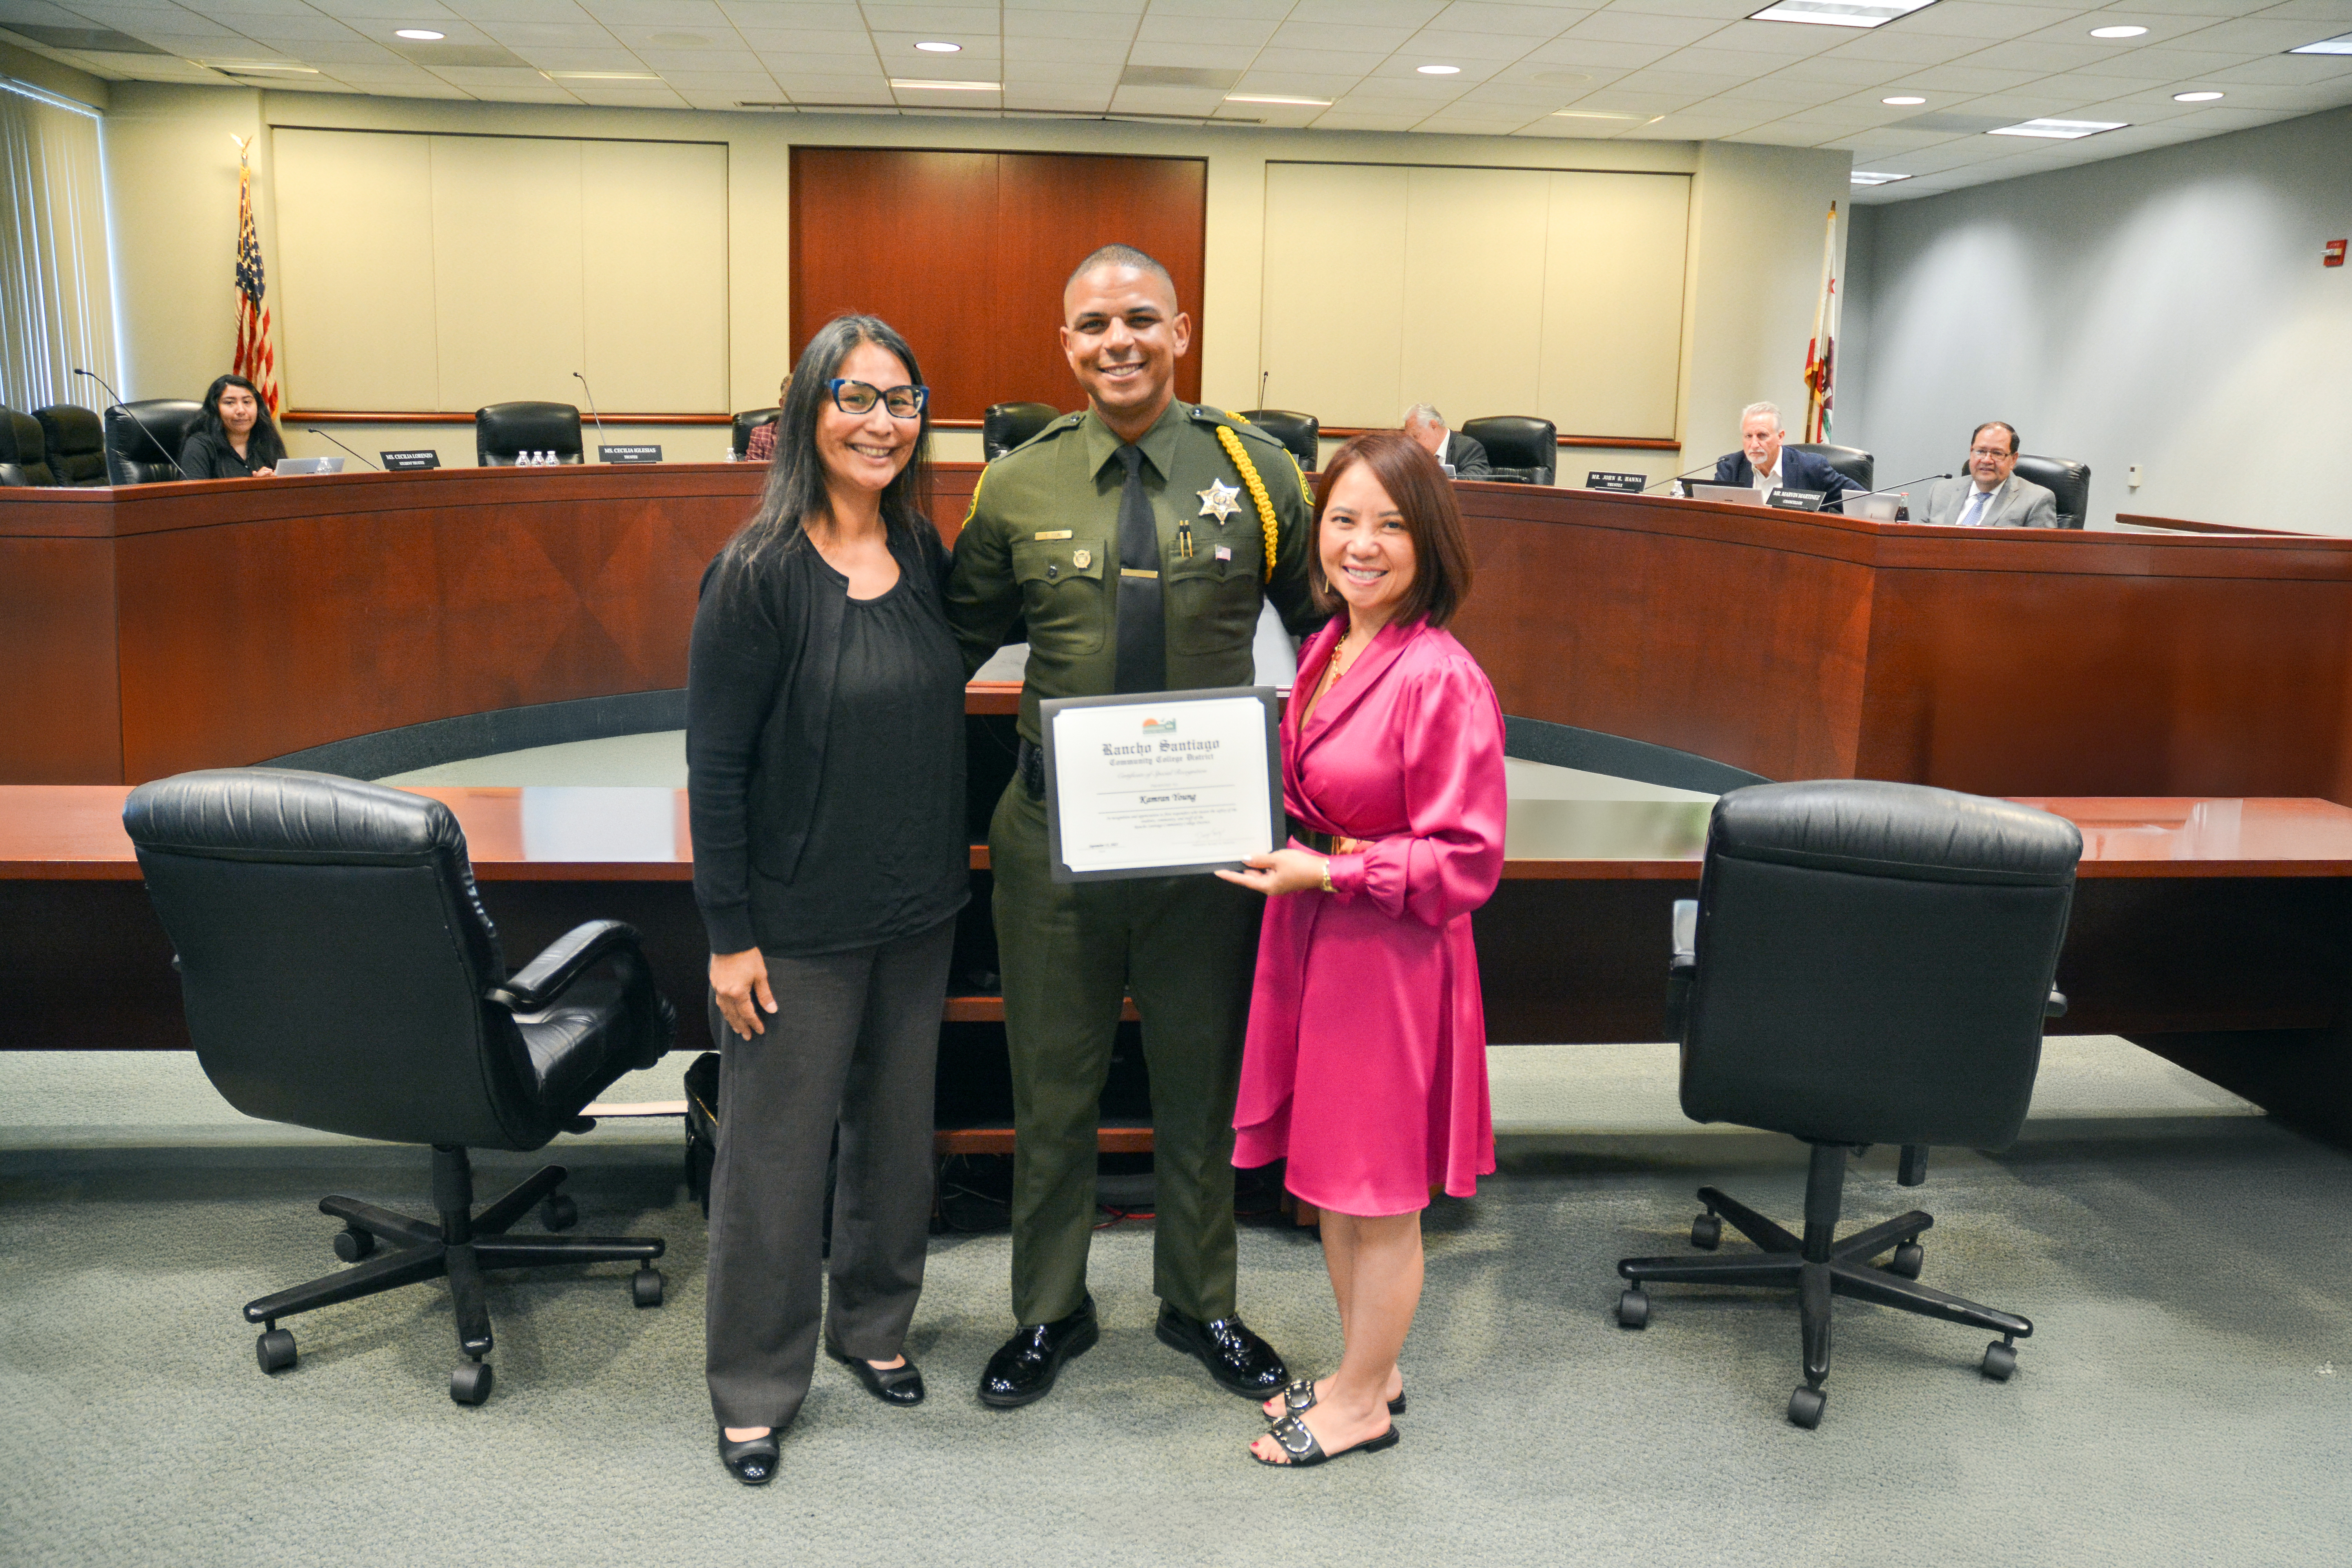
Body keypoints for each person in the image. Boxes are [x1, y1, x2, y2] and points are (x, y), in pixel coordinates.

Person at [946, 243, 1319, 1409]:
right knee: (1048, 1083)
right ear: (1065, 345)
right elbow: (944, 644)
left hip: (1210, 846)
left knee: (1195, 1080)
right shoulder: (1017, 484)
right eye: (1094, 324)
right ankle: (1047, 1309)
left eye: (1140, 319)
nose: (1118, 340)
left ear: (1180, 331)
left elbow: (1330, 642)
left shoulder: (1256, 472)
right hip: (1055, 840)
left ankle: (1199, 1300)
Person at [687, 315, 968, 1486]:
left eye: (900, 400)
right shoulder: (754, 574)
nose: (880, 422)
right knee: (774, 1161)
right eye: (855, 397)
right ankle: (753, 1387)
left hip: (915, 913)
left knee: (895, 1143)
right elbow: (715, 767)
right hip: (792, 930)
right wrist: (728, 936)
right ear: (807, 409)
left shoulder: (923, 549)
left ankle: (874, 1325)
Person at [1216, 428, 1508, 1468]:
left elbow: (1466, 863)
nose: (1362, 543)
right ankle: (1363, 1370)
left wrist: (1330, 872)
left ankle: (1362, 1407)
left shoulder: (1441, 676)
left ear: (1430, 541)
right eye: (1344, 519)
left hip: (1388, 954)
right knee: (1332, 1181)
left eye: (1390, 523)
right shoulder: (1329, 645)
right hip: (1323, 938)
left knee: (1377, 1198)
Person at [1708, 401, 1863, 511]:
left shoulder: (1811, 468)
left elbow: (1862, 502)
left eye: (1762, 436)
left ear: (1780, 437)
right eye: (1749, 436)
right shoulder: (1730, 467)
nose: (1754, 444)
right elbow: (1713, 518)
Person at [1917, 421, 2060, 528]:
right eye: (1980, 451)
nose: (1987, 460)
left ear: (2013, 460)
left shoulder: (2036, 500)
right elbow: (1918, 544)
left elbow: (2040, 559)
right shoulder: (1940, 491)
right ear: (1971, 452)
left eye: (1997, 453)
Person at [178, 374, 284, 478]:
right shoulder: (199, 445)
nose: (241, 411)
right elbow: (195, 494)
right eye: (230, 403)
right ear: (215, 409)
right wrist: (255, 486)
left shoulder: (267, 439)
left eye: (247, 402)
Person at [1401, 404, 1491, 479]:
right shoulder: (1417, 455)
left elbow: (1476, 479)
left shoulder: (1468, 448)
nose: (1413, 444)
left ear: (1433, 425)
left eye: (1416, 436)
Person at [746, 373, 792, 463]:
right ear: (782, 404)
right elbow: (751, 475)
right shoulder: (761, 435)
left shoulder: (815, 433)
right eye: (793, 398)